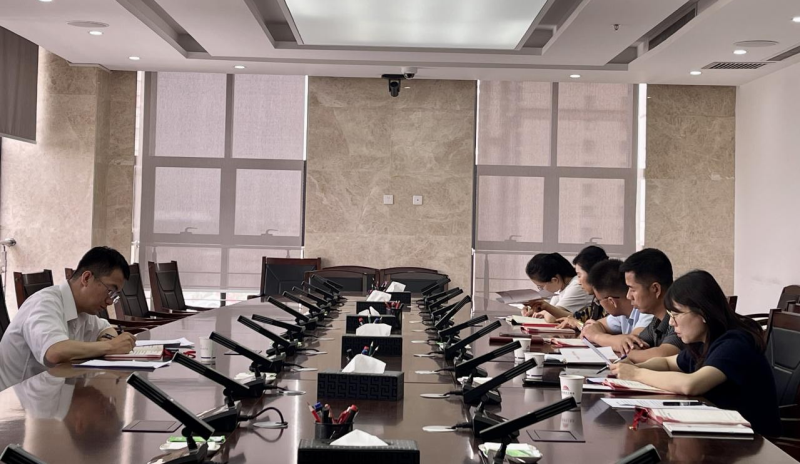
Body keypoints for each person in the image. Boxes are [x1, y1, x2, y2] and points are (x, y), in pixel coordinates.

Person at [610, 270, 781, 437]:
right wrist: (634, 367)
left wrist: (636, 373)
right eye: (670, 315)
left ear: (703, 313)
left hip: (754, 442)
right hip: (722, 431)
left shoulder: (734, 343)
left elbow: (691, 384)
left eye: (676, 314)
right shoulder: (703, 341)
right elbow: (667, 362)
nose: (671, 322)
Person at [0, 247, 136, 391]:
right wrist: (111, 346)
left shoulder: (83, 309)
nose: (109, 301)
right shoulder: (44, 302)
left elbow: (106, 328)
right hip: (13, 398)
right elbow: (54, 351)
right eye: (110, 291)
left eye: (114, 296)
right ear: (86, 278)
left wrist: (106, 341)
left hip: (50, 392)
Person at [617, 248, 684, 363]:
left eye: (632, 289)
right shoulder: (656, 321)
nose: (628, 296)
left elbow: (663, 355)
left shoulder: (679, 318)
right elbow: (635, 343)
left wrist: (629, 353)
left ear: (656, 289)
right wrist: (627, 343)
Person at [581, 259, 653, 353]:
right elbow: (596, 325)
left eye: (598, 301)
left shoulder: (647, 310)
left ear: (611, 301)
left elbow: (633, 344)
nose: (629, 296)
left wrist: (596, 336)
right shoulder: (622, 313)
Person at [521, 252, 593, 320]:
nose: (541, 290)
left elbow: (551, 317)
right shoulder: (561, 287)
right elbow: (550, 307)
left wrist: (544, 311)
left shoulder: (578, 285)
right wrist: (533, 309)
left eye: (541, 286)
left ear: (555, 280)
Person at [556, 246, 608, 329]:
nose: (579, 282)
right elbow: (578, 318)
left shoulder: (610, 301)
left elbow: (596, 329)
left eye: (579, 275)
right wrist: (574, 321)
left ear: (593, 274)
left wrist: (578, 324)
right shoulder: (596, 301)